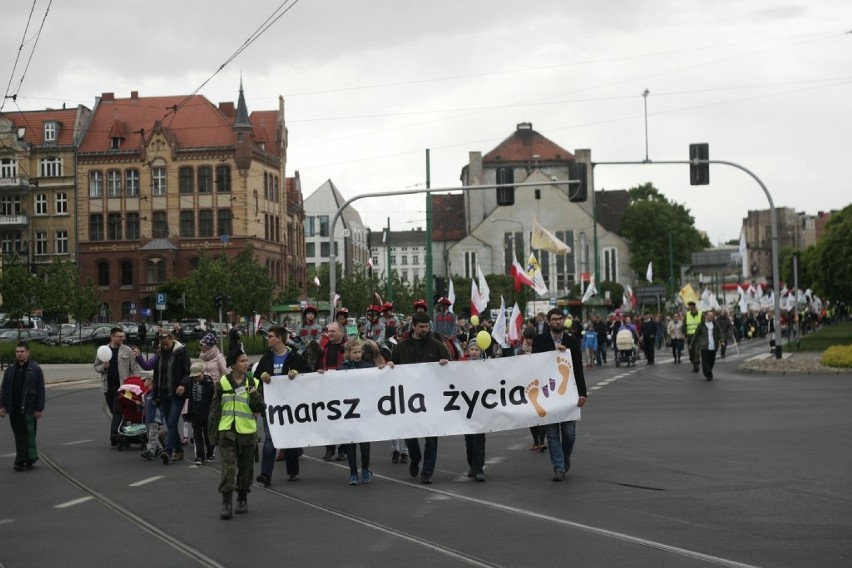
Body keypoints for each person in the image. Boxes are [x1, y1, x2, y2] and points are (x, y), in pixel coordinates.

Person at [391, 310, 450, 484]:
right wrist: (390, 364)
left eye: (427, 326)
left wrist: (445, 363)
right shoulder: (401, 346)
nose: (425, 329)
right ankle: (415, 458)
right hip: (408, 399)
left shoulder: (436, 345)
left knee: (432, 437)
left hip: (431, 399)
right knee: (410, 433)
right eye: (421, 327)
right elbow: (393, 365)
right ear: (413, 326)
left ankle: (427, 472)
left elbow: (450, 367)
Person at [532, 308, 588, 481]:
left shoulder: (572, 342)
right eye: (554, 319)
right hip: (548, 393)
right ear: (549, 322)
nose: (558, 322)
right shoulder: (540, 341)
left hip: (568, 393)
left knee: (569, 432)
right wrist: (553, 349)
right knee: (552, 433)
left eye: (560, 319)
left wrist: (582, 393)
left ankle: (564, 459)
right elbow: (533, 364)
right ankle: (559, 467)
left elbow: (578, 369)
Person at [208, 351, 266, 519]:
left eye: (247, 360)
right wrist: (212, 435)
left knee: (245, 469)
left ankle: (242, 496)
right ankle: (227, 501)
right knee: (228, 468)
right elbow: (214, 410)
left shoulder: (252, 382)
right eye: (242, 361)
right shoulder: (223, 383)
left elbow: (260, 407)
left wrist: (254, 393)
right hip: (227, 432)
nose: (246, 364)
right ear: (233, 365)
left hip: (247, 432)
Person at [255, 326, 312, 486]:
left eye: (270, 336)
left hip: (290, 404)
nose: (268, 339)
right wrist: (262, 375)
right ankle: (265, 474)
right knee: (270, 438)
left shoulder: (294, 357)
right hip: (271, 404)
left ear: (279, 338)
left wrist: (296, 372)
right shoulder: (266, 358)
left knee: (290, 436)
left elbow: (308, 372)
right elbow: (256, 375)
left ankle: (292, 470)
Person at [0, 342, 45, 471]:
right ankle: (26, 458)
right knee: (19, 434)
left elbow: (41, 390)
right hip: (14, 408)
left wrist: (38, 408)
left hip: (29, 408)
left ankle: (22, 460)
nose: (19, 354)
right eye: (17, 352)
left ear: (28, 352)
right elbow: (4, 389)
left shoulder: (35, 369)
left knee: (28, 434)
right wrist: (2, 406)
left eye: (22, 351)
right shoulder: (10, 369)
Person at [94, 327, 142, 446]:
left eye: (123, 336)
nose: (122, 338)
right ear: (112, 337)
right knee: (115, 412)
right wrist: (104, 367)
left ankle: (114, 434)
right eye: (120, 336)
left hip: (123, 387)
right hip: (108, 386)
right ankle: (126, 435)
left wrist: (136, 383)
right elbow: (96, 366)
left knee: (117, 410)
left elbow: (135, 368)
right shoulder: (103, 350)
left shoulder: (127, 350)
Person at [153, 330, 192, 464]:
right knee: (172, 424)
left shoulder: (181, 352)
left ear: (172, 339)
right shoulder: (159, 353)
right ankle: (179, 451)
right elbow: (157, 373)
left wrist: (182, 385)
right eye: (162, 344)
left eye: (167, 344)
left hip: (177, 393)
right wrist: (155, 392)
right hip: (163, 392)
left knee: (172, 422)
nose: (165, 347)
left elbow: (188, 372)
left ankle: (168, 451)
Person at [342, 340, 374, 485]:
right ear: (348, 353)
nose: (358, 355)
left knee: (365, 445)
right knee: (350, 444)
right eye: (354, 352)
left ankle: (366, 469)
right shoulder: (342, 369)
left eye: (360, 352)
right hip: (348, 413)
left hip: (364, 412)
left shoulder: (367, 367)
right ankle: (353, 473)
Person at [318, 321, 349, 461]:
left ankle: (343, 449)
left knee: (344, 419)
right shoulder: (324, 347)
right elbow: (319, 364)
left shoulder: (347, 348)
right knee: (328, 419)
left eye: (333, 331)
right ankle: (329, 449)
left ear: (341, 333)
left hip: (343, 387)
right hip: (327, 388)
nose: (330, 333)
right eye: (329, 331)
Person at [515, 327, 546, 452]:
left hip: (540, 385)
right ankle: (536, 441)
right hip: (526, 386)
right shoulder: (520, 352)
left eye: (531, 338)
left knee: (541, 413)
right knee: (531, 415)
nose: (529, 341)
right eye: (527, 338)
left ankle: (542, 442)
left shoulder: (539, 349)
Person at [461, 342, 487, 482]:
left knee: (479, 439)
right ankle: (472, 465)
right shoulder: (461, 365)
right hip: (466, 407)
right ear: (468, 350)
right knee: (469, 439)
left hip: (481, 407)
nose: (474, 352)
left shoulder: (486, 365)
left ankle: (479, 468)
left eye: (477, 349)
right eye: (472, 349)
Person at [185, 362, 215, 465]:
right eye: (194, 377)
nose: (196, 379)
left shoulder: (208, 383)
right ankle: (199, 456)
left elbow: (213, 399)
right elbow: (189, 397)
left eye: (198, 376)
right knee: (197, 435)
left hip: (206, 413)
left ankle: (210, 453)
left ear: (202, 372)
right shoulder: (190, 382)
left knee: (208, 434)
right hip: (194, 412)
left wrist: (213, 412)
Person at [693, 309, 722, 381]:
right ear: (705, 316)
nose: (711, 316)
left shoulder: (715, 324)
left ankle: (709, 371)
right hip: (704, 346)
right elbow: (696, 335)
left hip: (713, 346)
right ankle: (708, 374)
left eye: (712, 315)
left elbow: (720, 332)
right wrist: (691, 344)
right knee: (705, 361)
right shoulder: (701, 325)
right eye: (710, 315)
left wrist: (722, 340)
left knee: (711, 361)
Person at [684, 301, 703, 373]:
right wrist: (685, 334)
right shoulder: (687, 314)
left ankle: (696, 365)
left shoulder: (700, 314)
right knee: (691, 351)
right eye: (689, 307)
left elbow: (703, 325)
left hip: (697, 336)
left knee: (697, 350)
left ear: (694, 307)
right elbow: (685, 325)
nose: (689, 308)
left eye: (690, 306)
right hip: (690, 336)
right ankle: (693, 362)